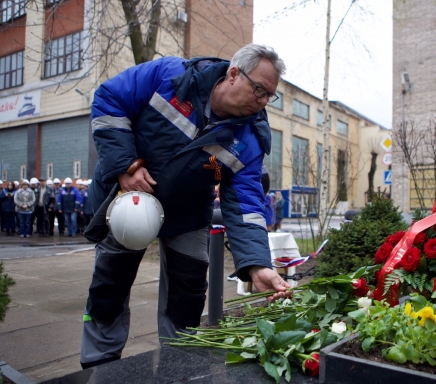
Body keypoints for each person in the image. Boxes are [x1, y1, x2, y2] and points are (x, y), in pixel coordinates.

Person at [81, 44, 290, 369]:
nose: (263, 102)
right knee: (109, 286)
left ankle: (177, 366)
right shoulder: (169, 76)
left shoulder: (249, 140)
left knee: (188, 295)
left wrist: (257, 264)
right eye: (259, 90)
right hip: (129, 198)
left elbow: (247, 204)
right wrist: (126, 167)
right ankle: (99, 368)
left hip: (189, 210)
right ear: (233, 74)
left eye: (269, 96)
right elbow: (109, 101)